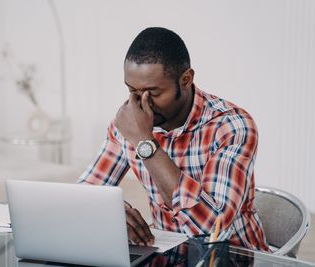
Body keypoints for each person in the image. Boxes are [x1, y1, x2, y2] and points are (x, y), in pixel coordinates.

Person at [77, 27, 269, 251]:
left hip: (232, 256)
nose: (142, 103)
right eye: (132, 91)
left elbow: (210, 228)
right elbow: (84, 195)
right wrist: (111, 214)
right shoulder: (129, 121)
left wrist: (144, 142)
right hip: (168, 254)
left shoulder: (231, 126)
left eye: (154, 93)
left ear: (186, 79)